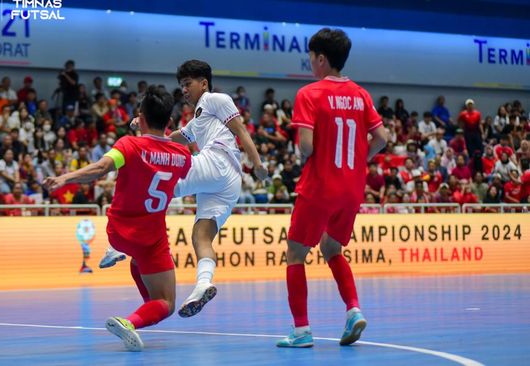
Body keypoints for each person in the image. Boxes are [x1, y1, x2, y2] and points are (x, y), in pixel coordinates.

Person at [101, 60, 268, 317]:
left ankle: (120, 245)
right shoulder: (199, 117)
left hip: (219, 162)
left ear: (204, 83)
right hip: (228, 183)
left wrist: (257, 163)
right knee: (201, 235)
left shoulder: (215, 99)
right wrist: (146, 124)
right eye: (181, 85)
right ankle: (203, 283)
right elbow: (173, 137)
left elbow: (240, 130)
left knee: (159, 183)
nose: (184, 90)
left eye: (188, 84)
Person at [43, 86, 191, 351]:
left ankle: (119, 255)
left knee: (136, 260)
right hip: (152, 239)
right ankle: (131, 321)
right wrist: (151, 127)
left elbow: (100, 168)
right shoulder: (182, 157)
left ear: (140, 117)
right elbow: (164, 146)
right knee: (166, 303)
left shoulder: (128, 145)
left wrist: (63, 179)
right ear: (169, 121)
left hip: (119, 233)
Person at [276, 28, 388, 348]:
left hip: (319, 186)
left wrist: (304, 148)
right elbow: (382, 138)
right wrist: (358, 159)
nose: (310, 62)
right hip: (352, 189)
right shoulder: (361, 94)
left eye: (311, 57)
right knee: (332, 250)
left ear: (321, 58)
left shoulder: (309, 94)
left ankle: (301, 331)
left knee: (296, 254)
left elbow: (307, 147)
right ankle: (353, 310)